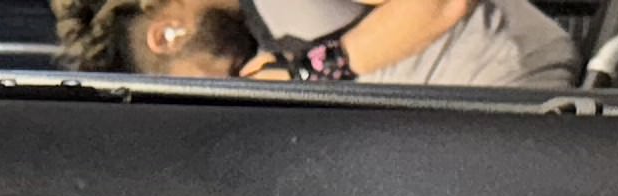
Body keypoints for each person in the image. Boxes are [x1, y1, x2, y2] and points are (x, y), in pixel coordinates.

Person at [62, 0, 579, 87]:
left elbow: (441, 6)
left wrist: (312, 71)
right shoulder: (273, 36)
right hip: (511, 124)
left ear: (167, 34)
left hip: (522, 86)